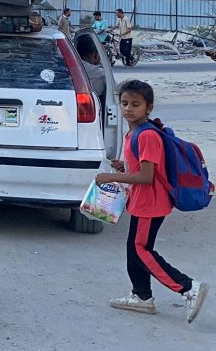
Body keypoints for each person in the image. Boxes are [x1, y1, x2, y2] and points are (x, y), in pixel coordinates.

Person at [96, 80, 208, 322]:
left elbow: (146, 177)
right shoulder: (134, 133)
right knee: (133, 248)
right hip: (141, 201)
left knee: (141, 249)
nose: (128, 109)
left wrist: (111, 176)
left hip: (150, 202)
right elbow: (141, 167)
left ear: (149, 107)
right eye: (124, 103)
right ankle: (141, 296)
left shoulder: (147, 135)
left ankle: (187, 287)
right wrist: (124, 167)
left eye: (136, 104)